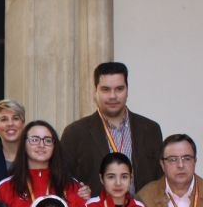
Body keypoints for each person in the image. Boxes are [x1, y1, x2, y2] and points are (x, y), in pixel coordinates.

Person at [61, 62, 163, 195]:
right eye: (105, 89)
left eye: (119, 89)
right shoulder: (75, 133)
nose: (113, 96)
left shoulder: (150, 130)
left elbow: (160, 179)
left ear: (127, 90)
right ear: (95, 91)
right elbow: (63, 179)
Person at [0, 120, 91, 207]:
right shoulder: (5, 187)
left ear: (54, 146)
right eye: (35, 140)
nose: (41, 145)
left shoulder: (73, 186)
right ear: (23, 145)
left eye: (47, 140)